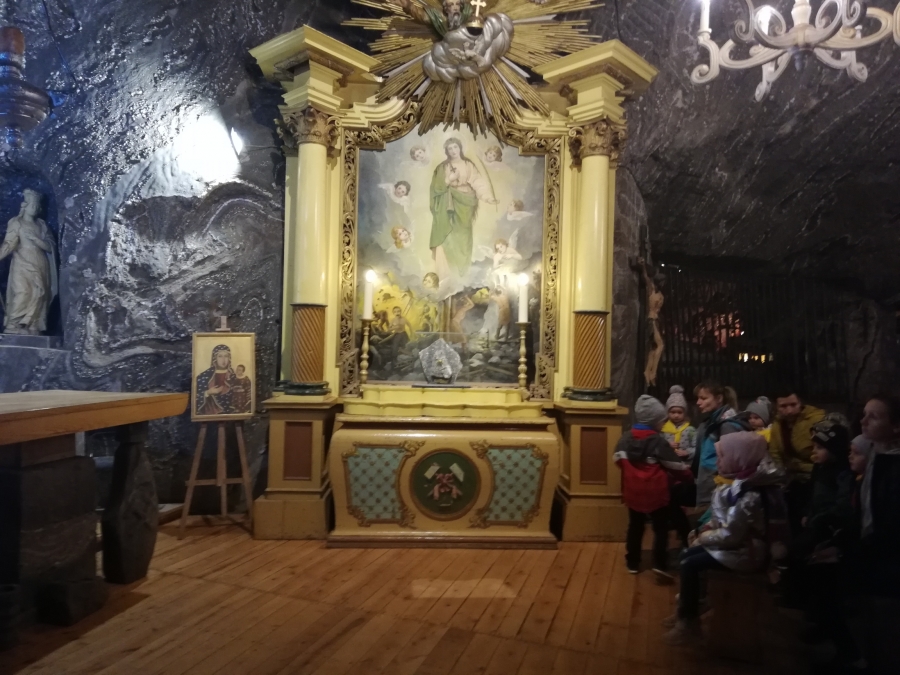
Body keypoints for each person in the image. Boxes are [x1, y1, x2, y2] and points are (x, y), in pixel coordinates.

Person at [663, 431, 783, 644]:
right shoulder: (741, 483)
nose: (718, 462)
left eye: (722, 456)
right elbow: (724, 520)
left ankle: (689, 621)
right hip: (739, 545)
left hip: (748, 552)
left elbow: (730, 535)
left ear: (739, 458)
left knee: (689, 563)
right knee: (687, 555)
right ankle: (691, 606)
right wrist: (706, 529)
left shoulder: (749, 494)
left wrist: (704, 537)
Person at [614, 395, 693, 581]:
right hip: (657, 492)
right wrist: (689, 478)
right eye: (661, 420)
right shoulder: (658, 441)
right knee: (660, 528)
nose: (663, 423)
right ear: (654, 421)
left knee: (635, 526)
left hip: (632, 491)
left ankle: (632, 562)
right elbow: (676, 466)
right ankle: (659, 563)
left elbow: (617, 459)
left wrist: (632, 472)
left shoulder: (625, 438)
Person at [429, 138, 497, 279]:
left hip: (466, 203)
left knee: (464, 237)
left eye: (455, 147)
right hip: (447, 203)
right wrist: (449, 179)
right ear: (446, 151)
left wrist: (487, 197)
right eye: (450, 149)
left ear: (460, 148)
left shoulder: (468, 165)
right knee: (448, 236)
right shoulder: (442, 167)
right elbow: (436, 187)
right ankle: (448, 273)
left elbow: (478, 182)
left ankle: (462, 273)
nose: (453, 151)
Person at [767, 387, 825, 535]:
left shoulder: (815, 420)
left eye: (793, 405)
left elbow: (823, 452)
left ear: (800, 403)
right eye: (783, 406)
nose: (789, 410)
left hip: (813, 479)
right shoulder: (778, 425)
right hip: (791, 480)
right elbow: (775, 452)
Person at [858, 394, 900, 596]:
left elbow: (890, 518)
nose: (863, 421)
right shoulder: (874, 454)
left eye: (873, 417)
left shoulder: (893, 465)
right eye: (864, 414)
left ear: (896, 426)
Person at [0, 189, 56, 335]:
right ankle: (13, 324)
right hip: (21, 261)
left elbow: (50, 246)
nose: (35, 209)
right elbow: (9, 244)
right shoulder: (16, 223)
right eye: (33, 205)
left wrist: (37, 240)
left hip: (39, 261)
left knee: (39, 293)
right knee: (23, 291)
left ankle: (32, 324)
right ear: (25, 206)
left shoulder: (42, 225)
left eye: (38, 206)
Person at [692, 381, 746, 506]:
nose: (698, 402)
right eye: (698, 398)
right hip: (708, 486)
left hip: (718, 491)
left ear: (719, 398)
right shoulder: (710, 423)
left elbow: (732, 465)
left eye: (703, 398)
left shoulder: (727, 425)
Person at [195, 344, 236, 416]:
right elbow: (196, 395)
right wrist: (208, 392)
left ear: (229, 358)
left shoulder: (233, 375)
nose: (223, 360)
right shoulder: (205, 375)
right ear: (215, 358)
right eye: (220, 356)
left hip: (231, 412)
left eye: (226, 356)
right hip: (212, 411)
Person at [661, 385, 696, 460]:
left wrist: (687, 452)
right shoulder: (663, 429)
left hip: (685, 463)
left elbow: (697, 447)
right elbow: (657, 446)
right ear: (667, 413)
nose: (676, 415)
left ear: (685, 413)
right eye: (673, 412)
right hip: (667, 462)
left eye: (679, 412)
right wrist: (667, 445)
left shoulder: (690, 430)